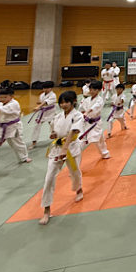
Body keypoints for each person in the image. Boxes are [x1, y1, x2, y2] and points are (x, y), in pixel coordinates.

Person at [39, 90, 83, 225]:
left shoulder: (78, 115)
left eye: (66, 102)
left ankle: (79, 189)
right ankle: (46, 210)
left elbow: (73, 131)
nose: (63, 105)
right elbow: (54, 131)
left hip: (71, 147)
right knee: (49, 177)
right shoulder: (57, 116)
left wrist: (65, 148)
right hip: (57, 148)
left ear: (73, 102)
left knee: (74, 173)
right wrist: (53, 134)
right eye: (61, 103)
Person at [78, 81, 110, 159]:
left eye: (94, 89)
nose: (91, 91)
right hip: (85, 122)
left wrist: (87, 112)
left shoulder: (100, 100)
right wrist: (81, 114)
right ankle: (75, 154)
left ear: (99, 90)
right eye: (90, 89)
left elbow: (95, 107)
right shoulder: (87, 99)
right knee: (82, 139)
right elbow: (81, 108)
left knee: (97, 139)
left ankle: (104, 153)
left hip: (95, 123)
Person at [29, 81, 57, 148]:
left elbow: (45, 102)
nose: (45, 89)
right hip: (42, 112)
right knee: (36, 126)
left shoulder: (53, 95)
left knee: (53, 125)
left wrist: (39, 106)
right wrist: (39, 105)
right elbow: (43, 102)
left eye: (47, 88)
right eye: (44, 88)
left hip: (51, 112)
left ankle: (57, 138)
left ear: (51, 88)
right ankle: (34, 142)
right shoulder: (42, 95)